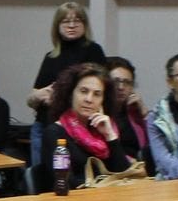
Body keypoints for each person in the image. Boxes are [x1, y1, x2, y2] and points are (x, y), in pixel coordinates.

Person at [30, 62, 135, 193]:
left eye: (97, 94)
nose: (89, 99)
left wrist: (110, 136)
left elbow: (124, 175)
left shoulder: (102, 129)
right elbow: (67, 183)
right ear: (71, 94)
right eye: (84, 91)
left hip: (106, 198)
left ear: (103, 100)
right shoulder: (54, 133)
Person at [29, 0, 106, 110]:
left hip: (77, 115)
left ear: (84, 25)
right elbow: (33, 97)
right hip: (47, 115)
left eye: (77, 21)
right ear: (57, 26)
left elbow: (102, 88)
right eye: (65, 21)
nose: (71, 25)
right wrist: (38, 96)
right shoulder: (51, 56)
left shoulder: (94, 50)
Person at [105, 57, 151, 158]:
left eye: (127, 82)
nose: (121, 87)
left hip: (140, 164)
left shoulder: (134, 112)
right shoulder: (99, 113)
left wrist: (144, 113)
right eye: (115, 81)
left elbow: (155, 142)